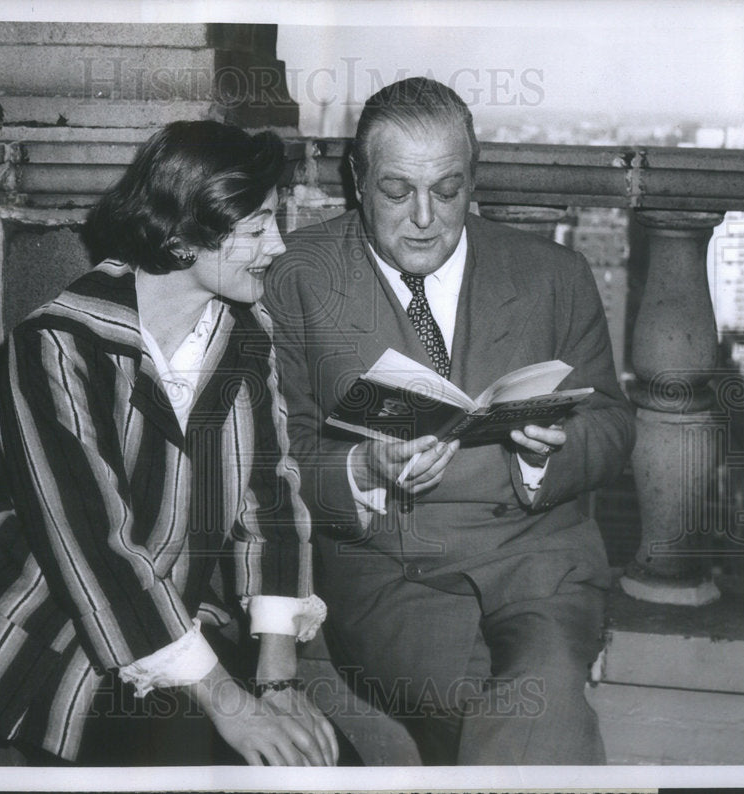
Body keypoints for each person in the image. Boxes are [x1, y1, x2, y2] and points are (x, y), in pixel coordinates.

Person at [0, 120, 340, 767]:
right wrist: (231, 704)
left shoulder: (246, 330)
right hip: (46, 625)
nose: (278, 245)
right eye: (256, 228)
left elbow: (271, 504)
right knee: (190, 756)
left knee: (328, 765)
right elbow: (96, 551)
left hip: (173, 620)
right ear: (179, 237)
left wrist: (277, 683)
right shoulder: (54, 347)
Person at [261, 78, 636, 765]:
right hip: (392, 571)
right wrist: (361, 469)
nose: (426, 219)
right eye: (397, 191)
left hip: (536, 555)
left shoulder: (555, 274)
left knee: (540, 693)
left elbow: (613, 425)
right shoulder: (297, 277)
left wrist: (545, 454)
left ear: (474, 180)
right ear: (357, 178)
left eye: (448, 190)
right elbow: (275, 461)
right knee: (508, 723)